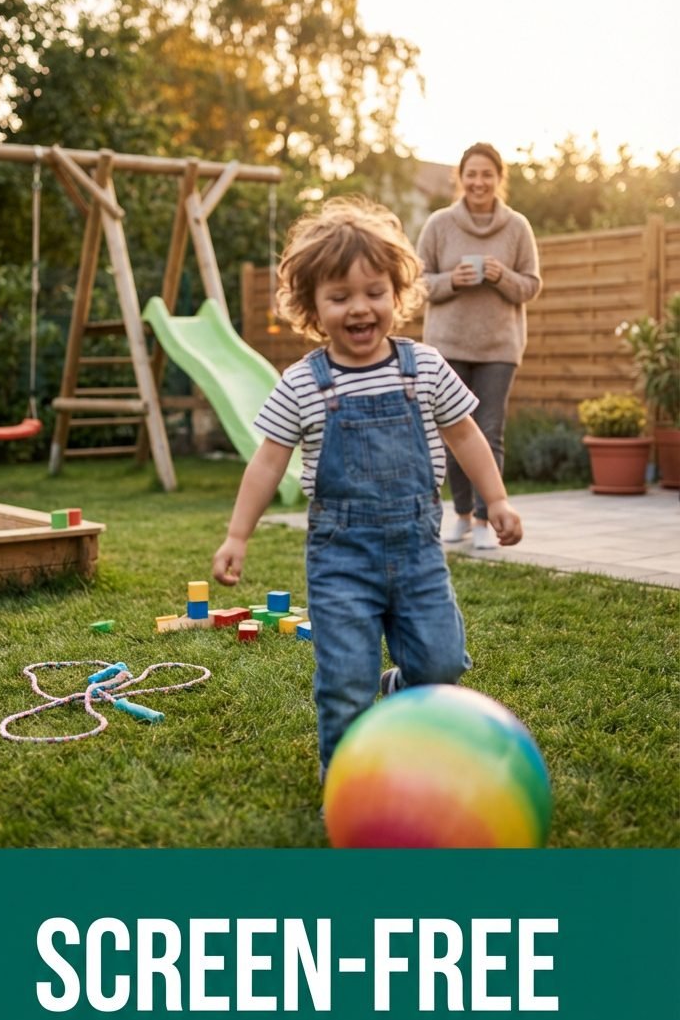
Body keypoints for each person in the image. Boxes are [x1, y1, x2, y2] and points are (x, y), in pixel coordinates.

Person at [212, 195, 522, 784]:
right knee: (344, 683)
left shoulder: (425, 366)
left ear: (397, 293)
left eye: (374, 292)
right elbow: (268, 460)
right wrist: (237, 534)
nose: (360, 308)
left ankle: (401, 688)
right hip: (340, 561)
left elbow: (466, 435)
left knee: (442, 662)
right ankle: (345, 780)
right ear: (311, 306)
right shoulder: (303, 383)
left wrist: (497, 499)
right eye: (340, 296)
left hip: (417, 552)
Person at [417, 142, 541, 548]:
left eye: (487, 174)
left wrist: (502, 275)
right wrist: (453, 280)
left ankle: (488, 521)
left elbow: (531, 286)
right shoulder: (438, 224)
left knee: (489, 432)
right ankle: (462, 514)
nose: (479, 181)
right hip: (447, 348)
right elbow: (417, 285)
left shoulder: (517, 227)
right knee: (452, 435)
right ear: (460, 177)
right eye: (471, 173)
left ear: (499, 179)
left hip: (498, 349)